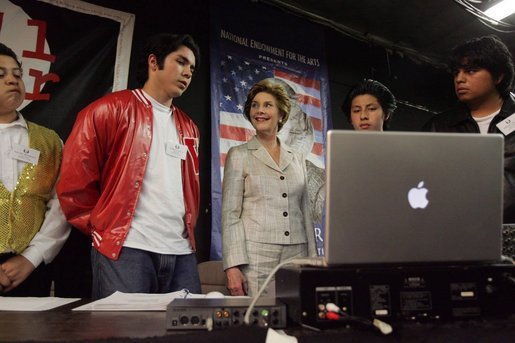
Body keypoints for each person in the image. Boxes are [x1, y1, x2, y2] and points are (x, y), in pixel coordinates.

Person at [57, 33, 202, 299]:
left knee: (189, 335)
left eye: (192, 68)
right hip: (126, 248)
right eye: (180, 62)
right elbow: (73, 182)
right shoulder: (106, 110)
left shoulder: (189, 126)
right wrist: (103, 229)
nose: (187, 72)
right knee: (123, 334)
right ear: (153, 62)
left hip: (181, 252)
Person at [222, 79, 316, 296]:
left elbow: (305, 213)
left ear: (281, 114)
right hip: (256, 256)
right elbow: (230, 215)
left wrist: (312, 259)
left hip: (298, 254)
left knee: (297, 318)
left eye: (267, 105)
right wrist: (232, 266)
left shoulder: (298, 158)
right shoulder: (239, 155)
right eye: (255, 105)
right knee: (258, 323)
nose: (260, 111)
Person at [0, 43, 70, 296]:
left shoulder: (49, 141)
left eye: (17, 74)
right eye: (1, 74)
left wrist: (32, 257)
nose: (12, 80)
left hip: (30, 270)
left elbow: (61, 204)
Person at [423, 35, 515, 223]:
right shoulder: (438, 126)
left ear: (499, 76)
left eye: (471, 70)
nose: (459, 79)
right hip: (458, 231)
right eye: (456, 72)